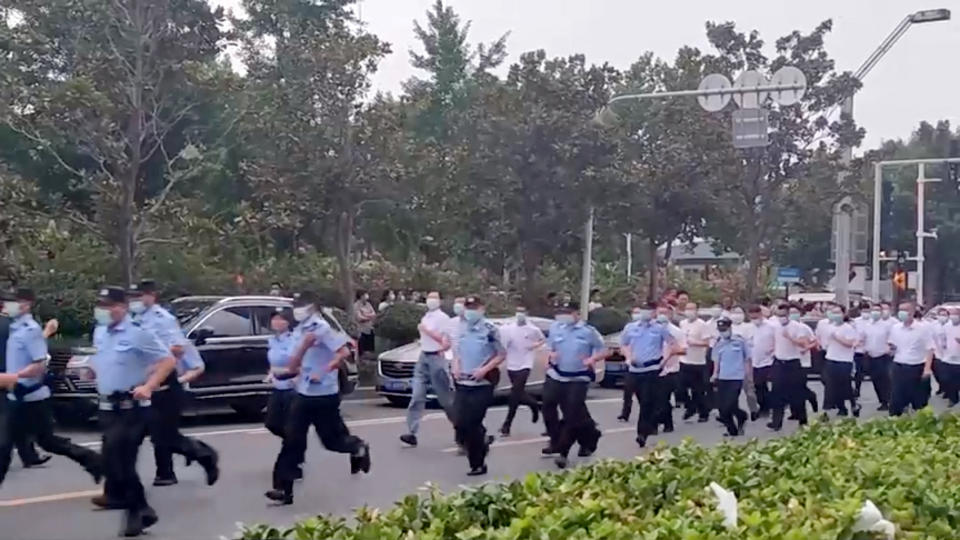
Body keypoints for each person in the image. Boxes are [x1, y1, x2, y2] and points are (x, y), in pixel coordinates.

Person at [266, 291, 371, 505]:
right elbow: (295, 361)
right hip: (303, 393)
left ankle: (358, 447)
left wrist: (324, 370)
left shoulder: (322, 328)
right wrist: (286, 372)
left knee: (331, 441)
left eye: (301, 306)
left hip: (324, 395)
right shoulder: (299, 331)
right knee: (292, 440)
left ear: (312, 307)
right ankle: (283, 488)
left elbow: (343, 352)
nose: (297, 310)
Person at [88, 286, 176, 537]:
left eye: (108, 306)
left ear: (122, 307)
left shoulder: (138, 333)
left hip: (131, 408)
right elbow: (103, 360)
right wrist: (93, 371)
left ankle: (138, 514)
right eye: (101, 306)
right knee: (113, 463)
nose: (103, 311)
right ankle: (142, 509)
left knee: (121, 461)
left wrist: (148, 386)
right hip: (106, 406)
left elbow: (167, 361)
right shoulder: (100, 333)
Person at [0, 287, 102, 487]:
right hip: (15, 397)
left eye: (14, 301)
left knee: (47, 441)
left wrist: (14, 377)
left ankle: (93, 460)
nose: (8, 305)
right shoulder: (13, 328)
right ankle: (92, 460)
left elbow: (39, 364)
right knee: (5, 445)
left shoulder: (30, 329)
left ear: (26, 304)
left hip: (33, 397)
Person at [127, 280, 218, 488]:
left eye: (139, 296)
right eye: (133, 297)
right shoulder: (134, 319)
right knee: (134, 434)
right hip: (141, 384)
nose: (136, 301)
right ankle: (148, 475)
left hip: (163, 385)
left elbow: (177, 349)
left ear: (151, 295)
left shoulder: (163, 319)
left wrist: (155, 367)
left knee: (163, 436)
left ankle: (200, 456)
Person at [540, 301, 606, 469]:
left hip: (579, 377)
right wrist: (550, 356)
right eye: (562, 312)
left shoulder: (588, 331)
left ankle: (563, 451)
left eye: (568, 312)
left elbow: (603, 350)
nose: (564, 315)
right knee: (547, 405)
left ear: (577, 314)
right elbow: (549, 347)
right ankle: (572, 436)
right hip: (556, 374)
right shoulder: (556, 327)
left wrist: (592, 359)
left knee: (572, 414)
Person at [450, 297, 504, 475]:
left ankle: (477, 464)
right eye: (468, 308)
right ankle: (483, 440)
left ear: (482, 309)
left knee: (471, 423)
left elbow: (501, 354)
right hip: (462, 382)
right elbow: (457, 352)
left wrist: (484, 369)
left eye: (474, 307)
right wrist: (455, 365)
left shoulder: (490, 330)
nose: (470, 311)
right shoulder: (461, 328)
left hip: (482, 383)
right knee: (459, 423)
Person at [0, 301, 54, 469]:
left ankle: (28, 454)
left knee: (13, 416)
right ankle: (28, 454)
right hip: (11, 376)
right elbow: (28, 347)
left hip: (8, 377)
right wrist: (46, 332)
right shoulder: (10, 326)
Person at [400, 291, 455, 447]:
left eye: (434, 298)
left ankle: (461, 429)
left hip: (436, 358)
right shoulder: (426, 317)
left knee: (445, 400)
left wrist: (427, 331)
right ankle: (412, 432)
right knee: (417, 396)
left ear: (439, 301)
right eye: (429, 298)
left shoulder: (443, 319)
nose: (431, 301)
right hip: (423, 356)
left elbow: (445, 342)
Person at [620, 302, 674, 448]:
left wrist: (665, 359)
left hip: (652, 369)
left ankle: (642, 433)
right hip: (634, 370)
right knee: (640, 399)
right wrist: (628, 357)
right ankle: (648, 425)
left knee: (647, 402)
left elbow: (671, 343)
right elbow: (623, 344)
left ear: (654, 313)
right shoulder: (630, 328)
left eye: (648, 311)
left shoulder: (659, 328)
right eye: (642, 310)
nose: (644, 313)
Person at [264, 307, 302, 478]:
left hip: (293, 388)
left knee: (291, 427)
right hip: (278, 387)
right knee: (272, 423)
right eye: (274, 319)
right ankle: (296, 449)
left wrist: (298, 376)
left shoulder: (295, 339)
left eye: (281, 319)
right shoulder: (272, 340)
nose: (277, 322)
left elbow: (303, 359)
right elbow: (274, 362)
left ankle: (293, 463)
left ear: (289, 322)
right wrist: (270, 374)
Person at [498, 306, 543, 437]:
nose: (520, 315)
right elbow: (503, 342)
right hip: (512, 363)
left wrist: (535, 345)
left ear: (527, 314)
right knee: (519, 393)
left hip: (525, 363)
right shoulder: (509, 328)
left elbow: (541, 339)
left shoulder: (533, 329)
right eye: (518, 312)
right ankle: (534, 405)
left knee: (515, 393)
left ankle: (507, 425)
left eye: (522, 312)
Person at [887, 302, 934, 417]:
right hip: (899, 365)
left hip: (916, 366)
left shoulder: (923, 329)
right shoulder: (895, 328)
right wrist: (890, 349)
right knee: (896, 398)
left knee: (919, 400)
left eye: (905, 310)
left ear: (912, 312)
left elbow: (930, 349)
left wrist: (927, 369)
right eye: (900, 310)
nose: (901, 313)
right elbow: (892, 345)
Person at [768, 304, 810, 431]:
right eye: (779, 315)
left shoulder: (798, 327)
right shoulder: (774, 326)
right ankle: (776, 422)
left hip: (793, 363)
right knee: (776, 393)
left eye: (784, 315)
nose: (781, 318)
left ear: (788, 315)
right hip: (779, 362)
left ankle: (803, 420)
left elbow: (803, 344)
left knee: (797, 393)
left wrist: (790, 338)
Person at [711, 317, 750, 437]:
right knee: (723, 408)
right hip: (723, 377)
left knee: (729, 404)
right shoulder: (718, 343)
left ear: (730, 328)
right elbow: (716, 360)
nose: (723, 332)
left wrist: (748, 375)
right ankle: (733, 429)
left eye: (725, 329)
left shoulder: (739, 341)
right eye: (721, 329)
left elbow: (747, 358)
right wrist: (714, 374)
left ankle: (741, 417)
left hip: (737, 377)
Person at [821, 305, 861, 417]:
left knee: (845, 385)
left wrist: (837, 338)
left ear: (844, 314)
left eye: (838, 312)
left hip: (844, 361)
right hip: (831, 358)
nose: (835, 315)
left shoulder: (848, 328)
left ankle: (853, 404)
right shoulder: (828, 327)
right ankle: (838, 408)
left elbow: (850, 344)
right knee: (831, 385)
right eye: (833, 312)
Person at [679, 302, 711, 423]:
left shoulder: (702, 325)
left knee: (698, 390)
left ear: (697, 311)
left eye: (692, 309)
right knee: (680, 388)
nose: (689, 312)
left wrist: (694, 343)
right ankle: (690, 406)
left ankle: (703, 413)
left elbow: (707, 343)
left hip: (698, 362)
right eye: (687, 309)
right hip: (684, 360)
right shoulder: (682, 323)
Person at [730, 306, 760, 419]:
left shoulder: (749, 327)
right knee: (732, 390)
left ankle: (754, 410)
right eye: (734, 312)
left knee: (749, 389)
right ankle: (733, 410)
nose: (736, 315)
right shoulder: (728, 328)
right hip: (732, 363)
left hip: (746, 361)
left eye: (739, 312)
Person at [658, 306, 683, 433]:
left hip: (670, 369)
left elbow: (682, 349)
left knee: (663, 398)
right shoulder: (653, 329)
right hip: (653, 369)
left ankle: (667, 423)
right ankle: (654, 422)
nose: (661, 315)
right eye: (659, 312)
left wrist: (670, 355)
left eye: (664, 313)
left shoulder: (676, 331)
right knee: (651, 398)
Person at [863, 304, 892, 410]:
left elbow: (892, 340)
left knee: (885, 379)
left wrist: (889, 349)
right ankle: (882, 401)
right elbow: (862, 338)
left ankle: (888, 400)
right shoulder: (867, 325)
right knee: (875, 380)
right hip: (870, 356)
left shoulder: (887, 326)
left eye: (878, 310)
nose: (875, 312)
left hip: (883, 356)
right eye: (873, 310)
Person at [748, 305, 775, 419]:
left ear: (760, 314)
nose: (755, 320)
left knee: (766, 384)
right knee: (758, 386)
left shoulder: (771, 326)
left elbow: (777, 340)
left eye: (756, 317)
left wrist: (773, 350)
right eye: (752, 317)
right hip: (754, 361)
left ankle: (769, 407)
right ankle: (763, 406)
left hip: (769, 361)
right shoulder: (750, 327)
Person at [941, 307, 960, 406]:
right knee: (947, 379)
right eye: (952, 314)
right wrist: (943, 344)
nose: (954, 317)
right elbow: (943, 338)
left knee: (957, 380)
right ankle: (953, 398)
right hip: (948, 357)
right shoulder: (946, 326)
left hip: (959, 359)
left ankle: (954, 397)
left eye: (956, 314)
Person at [352, 290, 377, 358]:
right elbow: (359, 318)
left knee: (370, 349)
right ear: (361, 296)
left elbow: (374, 314)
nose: (367, 296)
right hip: (361, 330)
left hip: (370, 329)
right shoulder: (356, 305)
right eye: (365, 295)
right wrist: (369, 316)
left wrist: (365, 314)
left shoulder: (368, 304)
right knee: (362, 350)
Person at [931, 307, 950, 397]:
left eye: (945, 315)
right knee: (938, 373)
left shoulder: (951, 325)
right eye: (941, 315)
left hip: (950, 354)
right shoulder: (934, 325)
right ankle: (942, 387)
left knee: (947, 375)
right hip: (937, 353)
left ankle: (948, 390)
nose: (943, 317)